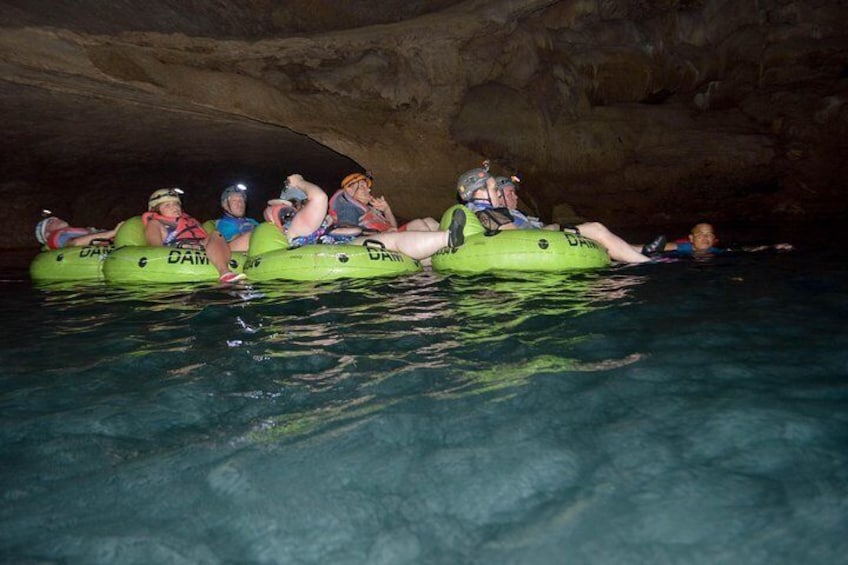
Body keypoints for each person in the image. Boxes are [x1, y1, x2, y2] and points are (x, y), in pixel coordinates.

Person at [456, 164, 664, 264]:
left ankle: (640, 253)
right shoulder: (487, 213)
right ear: (479, 192)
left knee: (596, 234)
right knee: (596, 229)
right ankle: (646, 263)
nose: (497, 195)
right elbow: (516, 237)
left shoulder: (486, 211)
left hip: (541, 240)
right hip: (539, 244)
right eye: (493, 190)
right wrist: (555, 229)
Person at [264, 174, 466, 261]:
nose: (365, 189)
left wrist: (386, 210)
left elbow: (387, 226)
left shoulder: (305, 223)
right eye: (359, 186)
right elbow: (319, 197)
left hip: (341, 243)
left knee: (410, 230)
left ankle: (444, 246)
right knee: (392, 239)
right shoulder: (299, 223)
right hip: (338, 249)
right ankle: (448, 238)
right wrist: (299, 182)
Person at [144, 188, 246, 284]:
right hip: (180, 249)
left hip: (203, 247)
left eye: (176, 204)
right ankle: (224, 272)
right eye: (167, 205)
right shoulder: (154, 223)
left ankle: (230, 271)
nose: (174, 207)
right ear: (156, 209)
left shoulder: (191, 221)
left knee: (215, 234)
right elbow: (156, 250)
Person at [329, 172, 439, 233]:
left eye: (367, 187)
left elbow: (392, 227)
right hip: (376, 241)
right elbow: (348, 231)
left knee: (430, 222)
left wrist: (387, 210)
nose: (368, 190)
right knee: (419, 224)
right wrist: (380, 233)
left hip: (388, 238)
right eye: (362, 186)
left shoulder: (369, 209)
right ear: (349, 190)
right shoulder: (348, 205)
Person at [663, 222, 793, 255]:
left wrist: (774, 247)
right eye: (700, 234)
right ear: (691, 238)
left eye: (709, 234)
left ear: (714, 239)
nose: (705, 237)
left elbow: (748, 250)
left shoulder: (719, 252)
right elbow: (649, 247)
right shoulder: (681, 247)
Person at [35, 212, 121, 250]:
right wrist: (113, 233)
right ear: (47, 235)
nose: (56, 219)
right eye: (50, 222)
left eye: (55, 218)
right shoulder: (58, 237)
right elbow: (75, 243)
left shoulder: (72, 232)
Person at [214, 183, 259, 252]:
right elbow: (230, 244)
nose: (240, 204)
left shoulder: (251, 221)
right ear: (225, 205)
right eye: (234, 201)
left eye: (241, 200)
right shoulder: (224, 224)